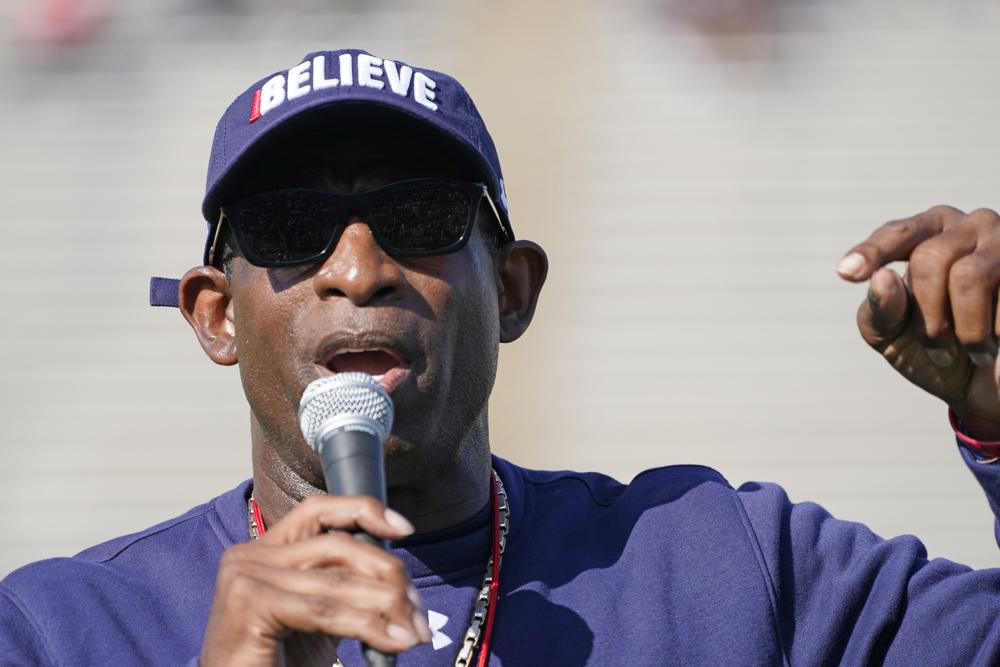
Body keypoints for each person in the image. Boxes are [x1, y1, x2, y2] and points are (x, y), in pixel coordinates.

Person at [3, 47, 1000, 666]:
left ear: (514, 289)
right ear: (215, 316)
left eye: (421, 217)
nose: (357, 269)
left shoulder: (728, 563)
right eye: (292, 226)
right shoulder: (59, 629)